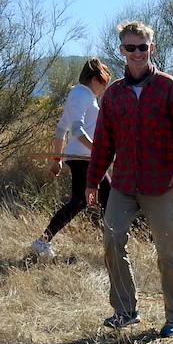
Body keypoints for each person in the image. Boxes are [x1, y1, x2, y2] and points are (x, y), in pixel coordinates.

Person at [86, 21, 173, 336]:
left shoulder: (169, 87)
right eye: (129, 47)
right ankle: (125, 311)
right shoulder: (114, 94)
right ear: (121, 50)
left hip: (161, 183)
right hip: (123, 184)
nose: (136, 52)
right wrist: (92, 181)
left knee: (168, 251)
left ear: (151, 49)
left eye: (142, 47)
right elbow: (104, 142)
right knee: (112, 241)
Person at [28, 58, 112, 259]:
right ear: (94, 79)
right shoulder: (81, 95)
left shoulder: (80, 96)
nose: (104, 88)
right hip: (83, 157)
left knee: (103, 197)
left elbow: (60, 131)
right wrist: (98, 150)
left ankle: (112, 244)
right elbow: (76, 129)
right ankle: (43, 241)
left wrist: (56, 159)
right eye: (103, 82)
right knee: (85, 200)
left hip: (84, 157)